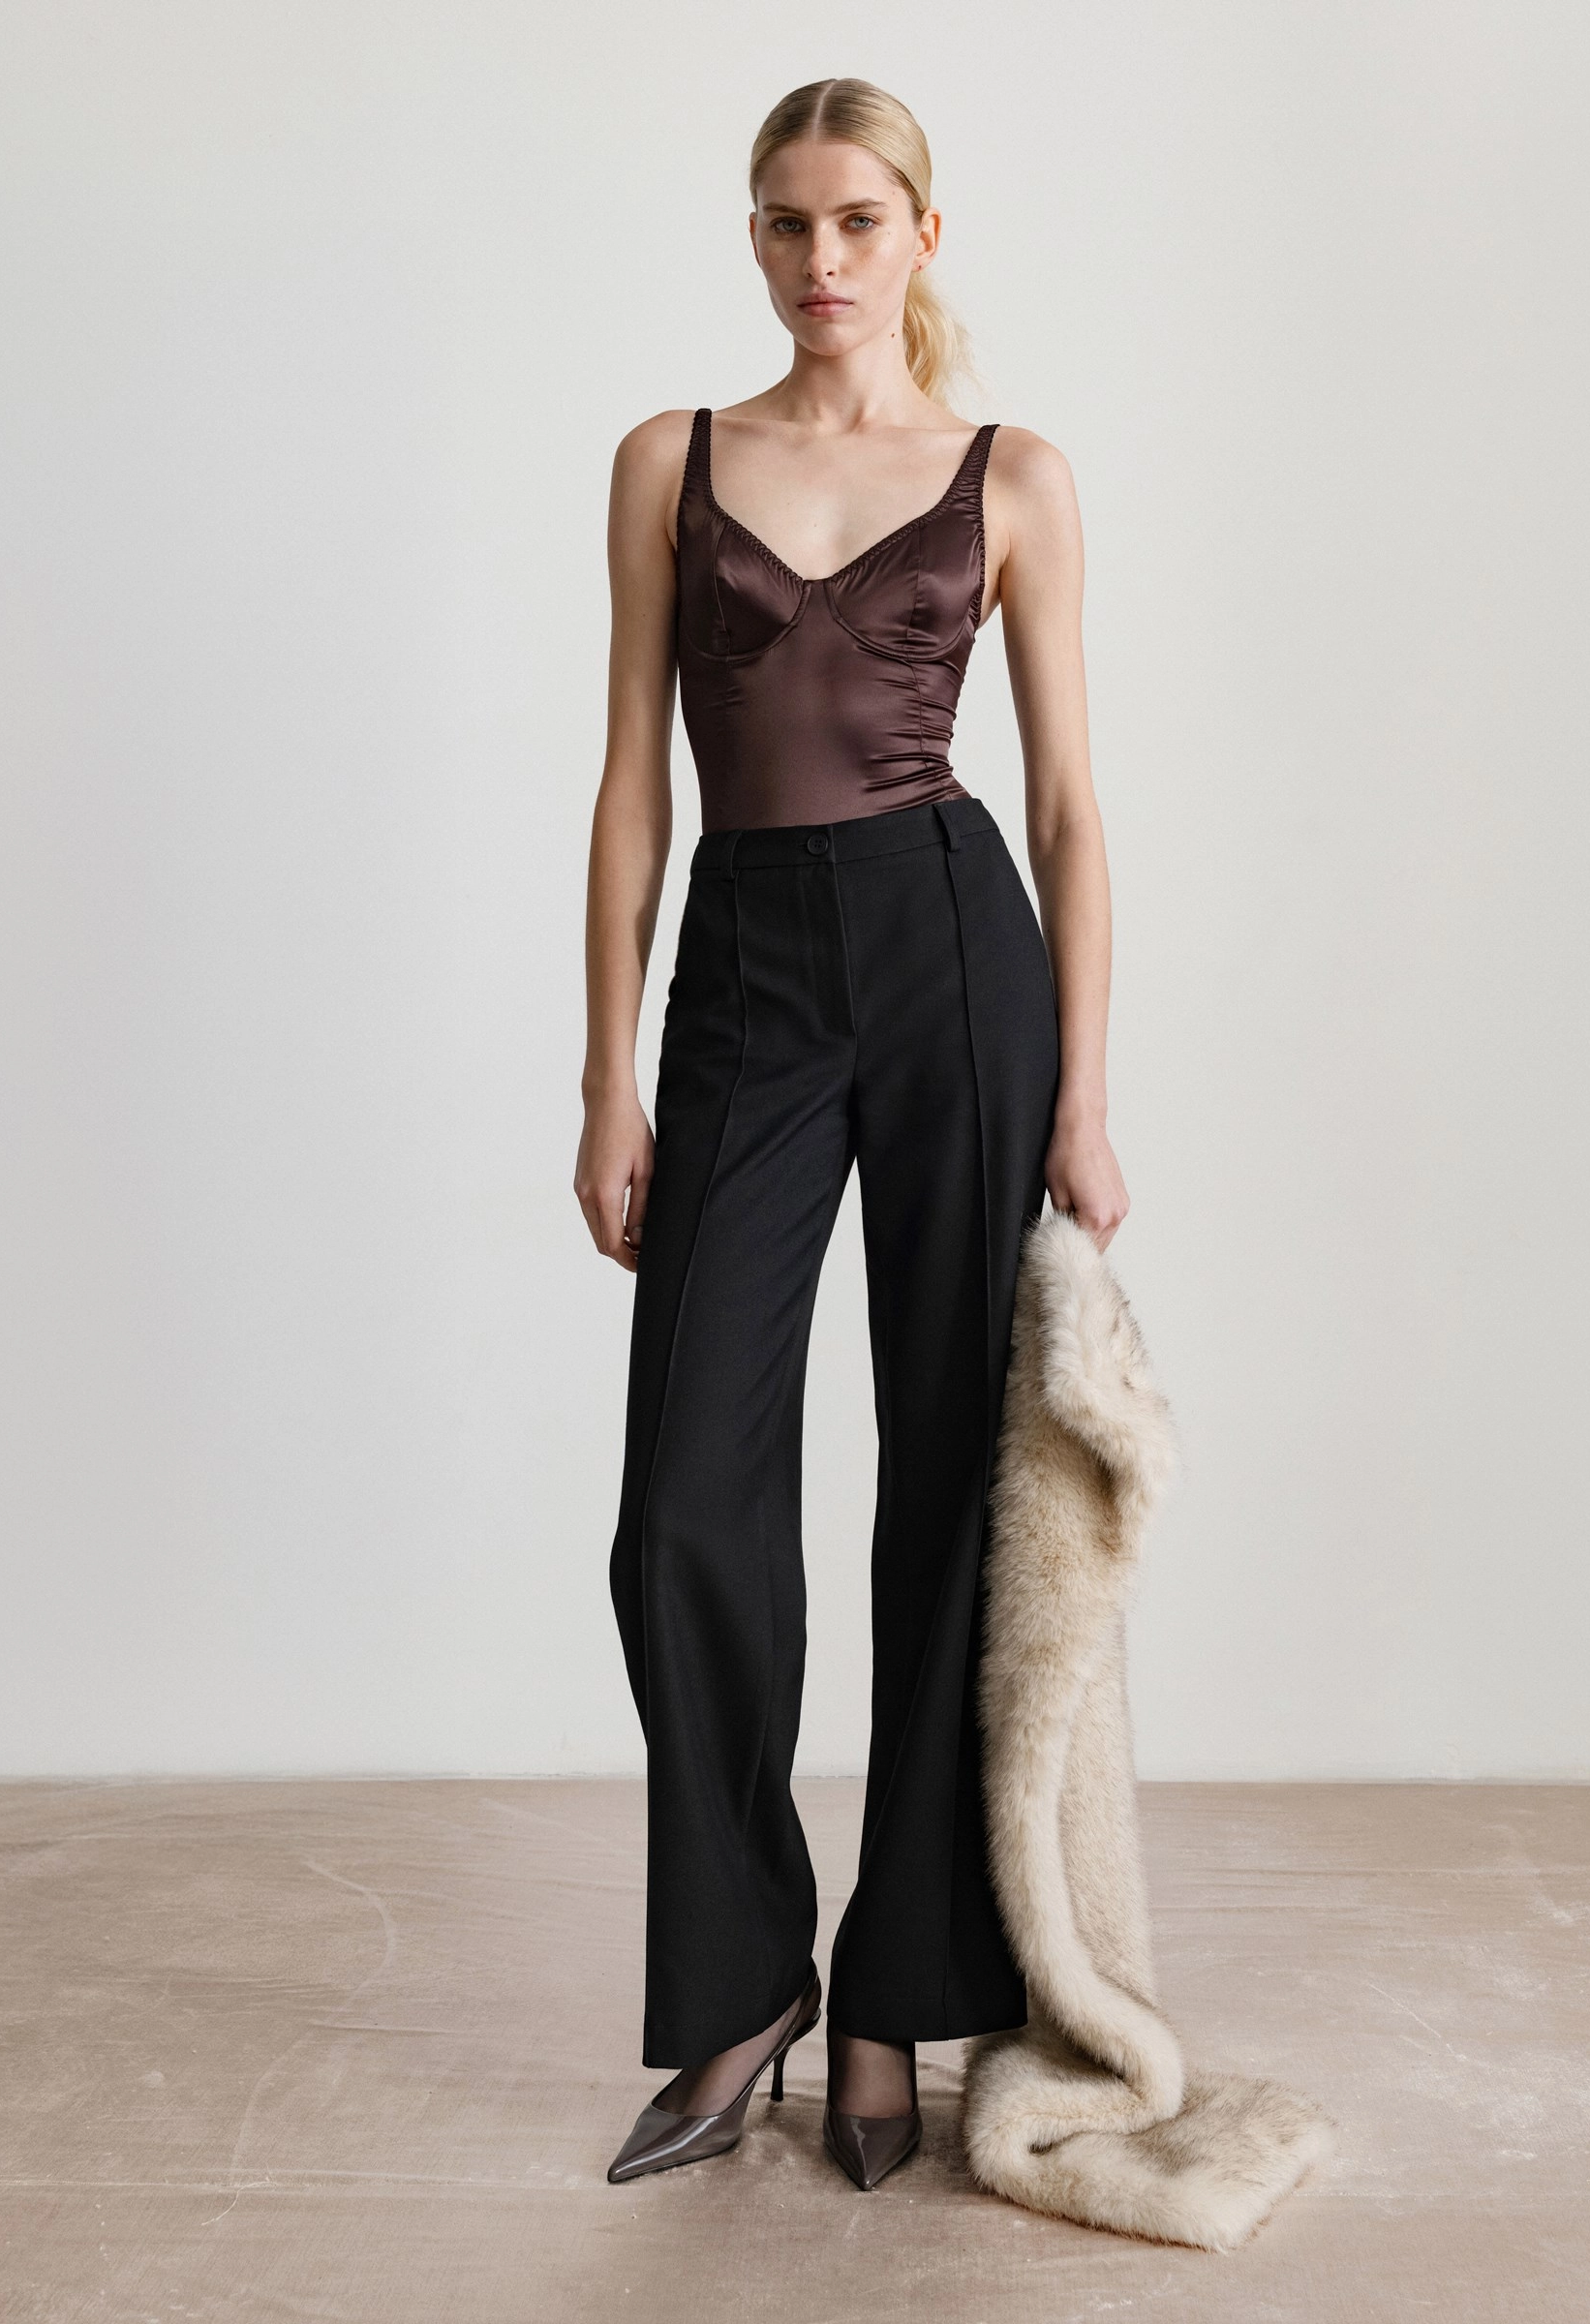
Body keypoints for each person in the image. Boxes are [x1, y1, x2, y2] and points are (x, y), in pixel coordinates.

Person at [575, 75, 1127, 2193]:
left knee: (950, 1493)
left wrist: (1085, 1090)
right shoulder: (670, 461)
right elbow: (634, 787)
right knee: (683, 1505)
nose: (823, 261)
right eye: (788, 223)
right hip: (745, 969)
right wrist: (608, 1076)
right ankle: (743, 1986)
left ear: (922, 233)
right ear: (754, 236)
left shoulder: (1010, 477)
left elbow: (1067, 806)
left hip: (952, 958)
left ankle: (896, 1992)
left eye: (859, 222)